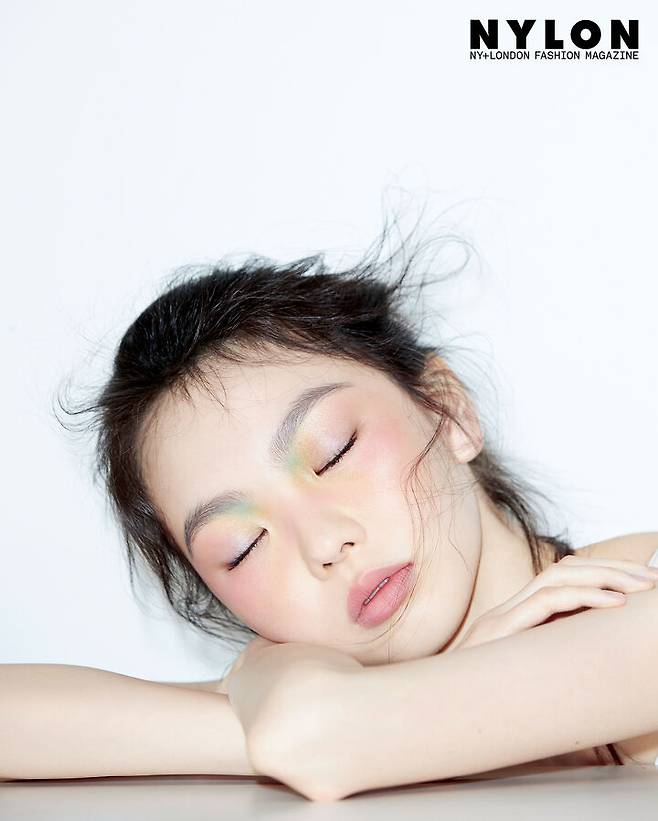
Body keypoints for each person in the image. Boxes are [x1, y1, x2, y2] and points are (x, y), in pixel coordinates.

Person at [2, 224, 657, 794]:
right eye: (242, 547)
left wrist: (283, 694)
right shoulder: (307, 696)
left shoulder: (640, 594)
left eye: (334, 452)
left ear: (447, 409)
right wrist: (295, 692)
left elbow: (314, 731)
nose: (322, 542)